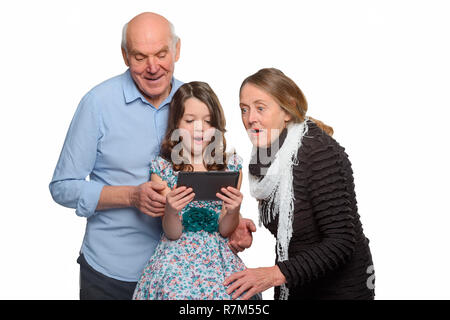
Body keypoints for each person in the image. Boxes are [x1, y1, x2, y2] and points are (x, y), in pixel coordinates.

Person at [49, 12, 255, 300]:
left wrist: (233, 218)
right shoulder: (97, 104)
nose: (153, 67)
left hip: (186, 281)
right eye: (139, 57)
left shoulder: (193, 103)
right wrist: (131, 196)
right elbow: (62, 186)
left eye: (161, 54)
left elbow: (211, 171)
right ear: (124, 55)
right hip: (112, 273)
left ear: (177, 50)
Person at [224, 68, 375, 300]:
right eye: (244, 109)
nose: (250, 118)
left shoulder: (319, 152)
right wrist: (237, 223)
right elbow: (293, 236)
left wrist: (273, 275)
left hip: (341, 289)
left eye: (260, 107)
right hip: (297, 282)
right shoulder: (264, 157)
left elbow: (341, 242)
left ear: (287, 110)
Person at [133, 81, 257, 300]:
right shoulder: (163, 168)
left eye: (208, 122)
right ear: (177, 125)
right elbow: (173, 233)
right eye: (190, 121)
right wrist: (170, 210)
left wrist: (233, 211)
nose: (199, 128)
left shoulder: (231, 166)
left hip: (218, 258)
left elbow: (225, 230)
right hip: (175, 258)